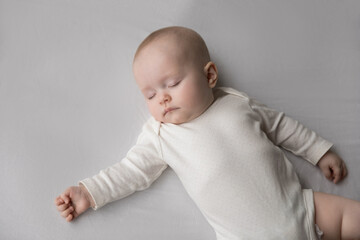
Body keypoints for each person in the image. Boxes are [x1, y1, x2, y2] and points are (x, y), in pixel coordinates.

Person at [55, 26, 360, 240]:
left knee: (352, 216)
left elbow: (282, 126)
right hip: (241, 236)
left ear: (209, 75)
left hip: (303, 210)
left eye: (172, 83)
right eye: (149, 95)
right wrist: (88, 192)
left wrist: (319, 151)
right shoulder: (161, 136)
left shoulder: (237, 103)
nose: (162, 98)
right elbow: (131, 171)